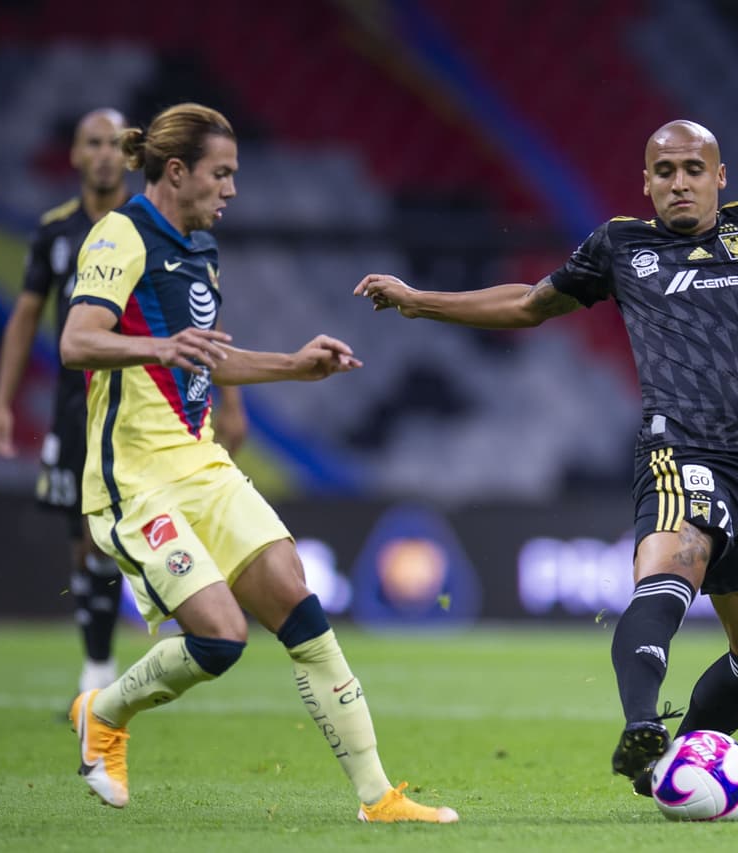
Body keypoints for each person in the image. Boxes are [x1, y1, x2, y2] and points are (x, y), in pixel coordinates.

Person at [355, 103, 738, 795]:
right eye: (663, 171)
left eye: (692, 170)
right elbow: (532, 302)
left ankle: (672, 760)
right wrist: (420, 299)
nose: (679, 182)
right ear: (646, 183)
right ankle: (640, 725)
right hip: (679, 448)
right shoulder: (621, 247)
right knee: (673, 564)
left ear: (719, 177)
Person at [60, 102, 457, 823]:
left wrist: (295, 366)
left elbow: (209, 358)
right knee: (220, 638)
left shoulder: (203, 250)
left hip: (202, 464)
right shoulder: (119, 235)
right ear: (176, 172)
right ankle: (105, 711)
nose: (233, 189)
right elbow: (77, 341)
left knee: (298, 601)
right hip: (136, 479)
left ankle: (379, 796)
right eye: (222, 173)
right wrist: (157, 346)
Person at [0, 109, 134, 694]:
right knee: (86, 540)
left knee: (122, 536)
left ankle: (169, 644)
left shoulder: (149, 226)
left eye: (116, 144)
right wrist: (3, 401)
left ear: (131, 155)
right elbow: (24, 319)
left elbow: (194, 315)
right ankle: (98, 671)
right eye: (93, 143)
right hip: (77, 411)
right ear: (74, 155)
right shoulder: (54, 233)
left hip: (143, 406)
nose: (104, 154)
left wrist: (228, 403)